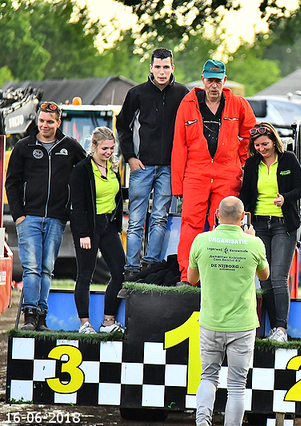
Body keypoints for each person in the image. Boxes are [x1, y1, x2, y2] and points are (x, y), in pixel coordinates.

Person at [173, 59, 256, 284]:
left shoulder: (238, 104)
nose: (213, 85)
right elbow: (178, 145)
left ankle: (219, 277)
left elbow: (252, 136)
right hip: (195, 173)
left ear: (224, 81)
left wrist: (240, 161)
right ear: (203, 80)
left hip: (227, 172)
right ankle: (187, 277)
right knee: (191, 223)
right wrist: (177, 185)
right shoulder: (187, 103)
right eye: (210, 80)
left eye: (218, 81)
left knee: (225, 226)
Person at [188, 196, 269, 426]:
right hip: (242, 326)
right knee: (236, 386)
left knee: (208, 378)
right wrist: (250, 239)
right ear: (243, 218)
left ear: (216, 214)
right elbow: (265, 275)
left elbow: (192, 279)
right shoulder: (254, 244)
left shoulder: (201, 240)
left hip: (211, 322)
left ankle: (202, 422)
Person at [6, 101, 85, 331]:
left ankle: (42, 317)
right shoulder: (23, 146)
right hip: (28, 217)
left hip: (56, 218)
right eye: (41, 121)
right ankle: (29, 316)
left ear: (58, 123)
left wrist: (70, 208)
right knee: (31, 268)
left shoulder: (70, 146)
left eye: (50, 122)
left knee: (47, 268)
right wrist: (18, 214)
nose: (45, 125)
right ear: (37, 121)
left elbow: (86, 170)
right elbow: (11, 182)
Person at [117, 48, 189, 280]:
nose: (161, 71)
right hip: (142, 166)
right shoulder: (136, 94)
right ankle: (132, 266)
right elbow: (122, 127)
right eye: (157, 67)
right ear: (150, 68)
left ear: (172, 68)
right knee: (136, 217)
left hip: (169, 166)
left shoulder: (182, 94)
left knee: (160, 216)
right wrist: (130, 157)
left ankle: (151, 263)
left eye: (165, 67)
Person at [239, 122, 301, 343]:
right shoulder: (251, 164)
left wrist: (286, 197)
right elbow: (245, 194)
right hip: (259, 225)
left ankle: (281, 329)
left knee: (278, 277)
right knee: (264, 278)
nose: (261, 148)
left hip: (283, 224)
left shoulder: (289, 160)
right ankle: (272, 326)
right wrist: (235, 210)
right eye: (257, 145)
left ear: (274, 142)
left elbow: (300, 187)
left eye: (265, 144)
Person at [70, 127, 125, 334]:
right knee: (85, 274)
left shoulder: (112, 168)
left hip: (108, 226)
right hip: (88, 227)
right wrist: (84, 233)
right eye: (104, 148)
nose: (109, 152)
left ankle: (108, 321)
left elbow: (115, 195)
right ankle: (85, 323)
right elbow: (78, 203)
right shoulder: (82, 169)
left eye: (111, 148)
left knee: (119, 271)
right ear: (93, 146)